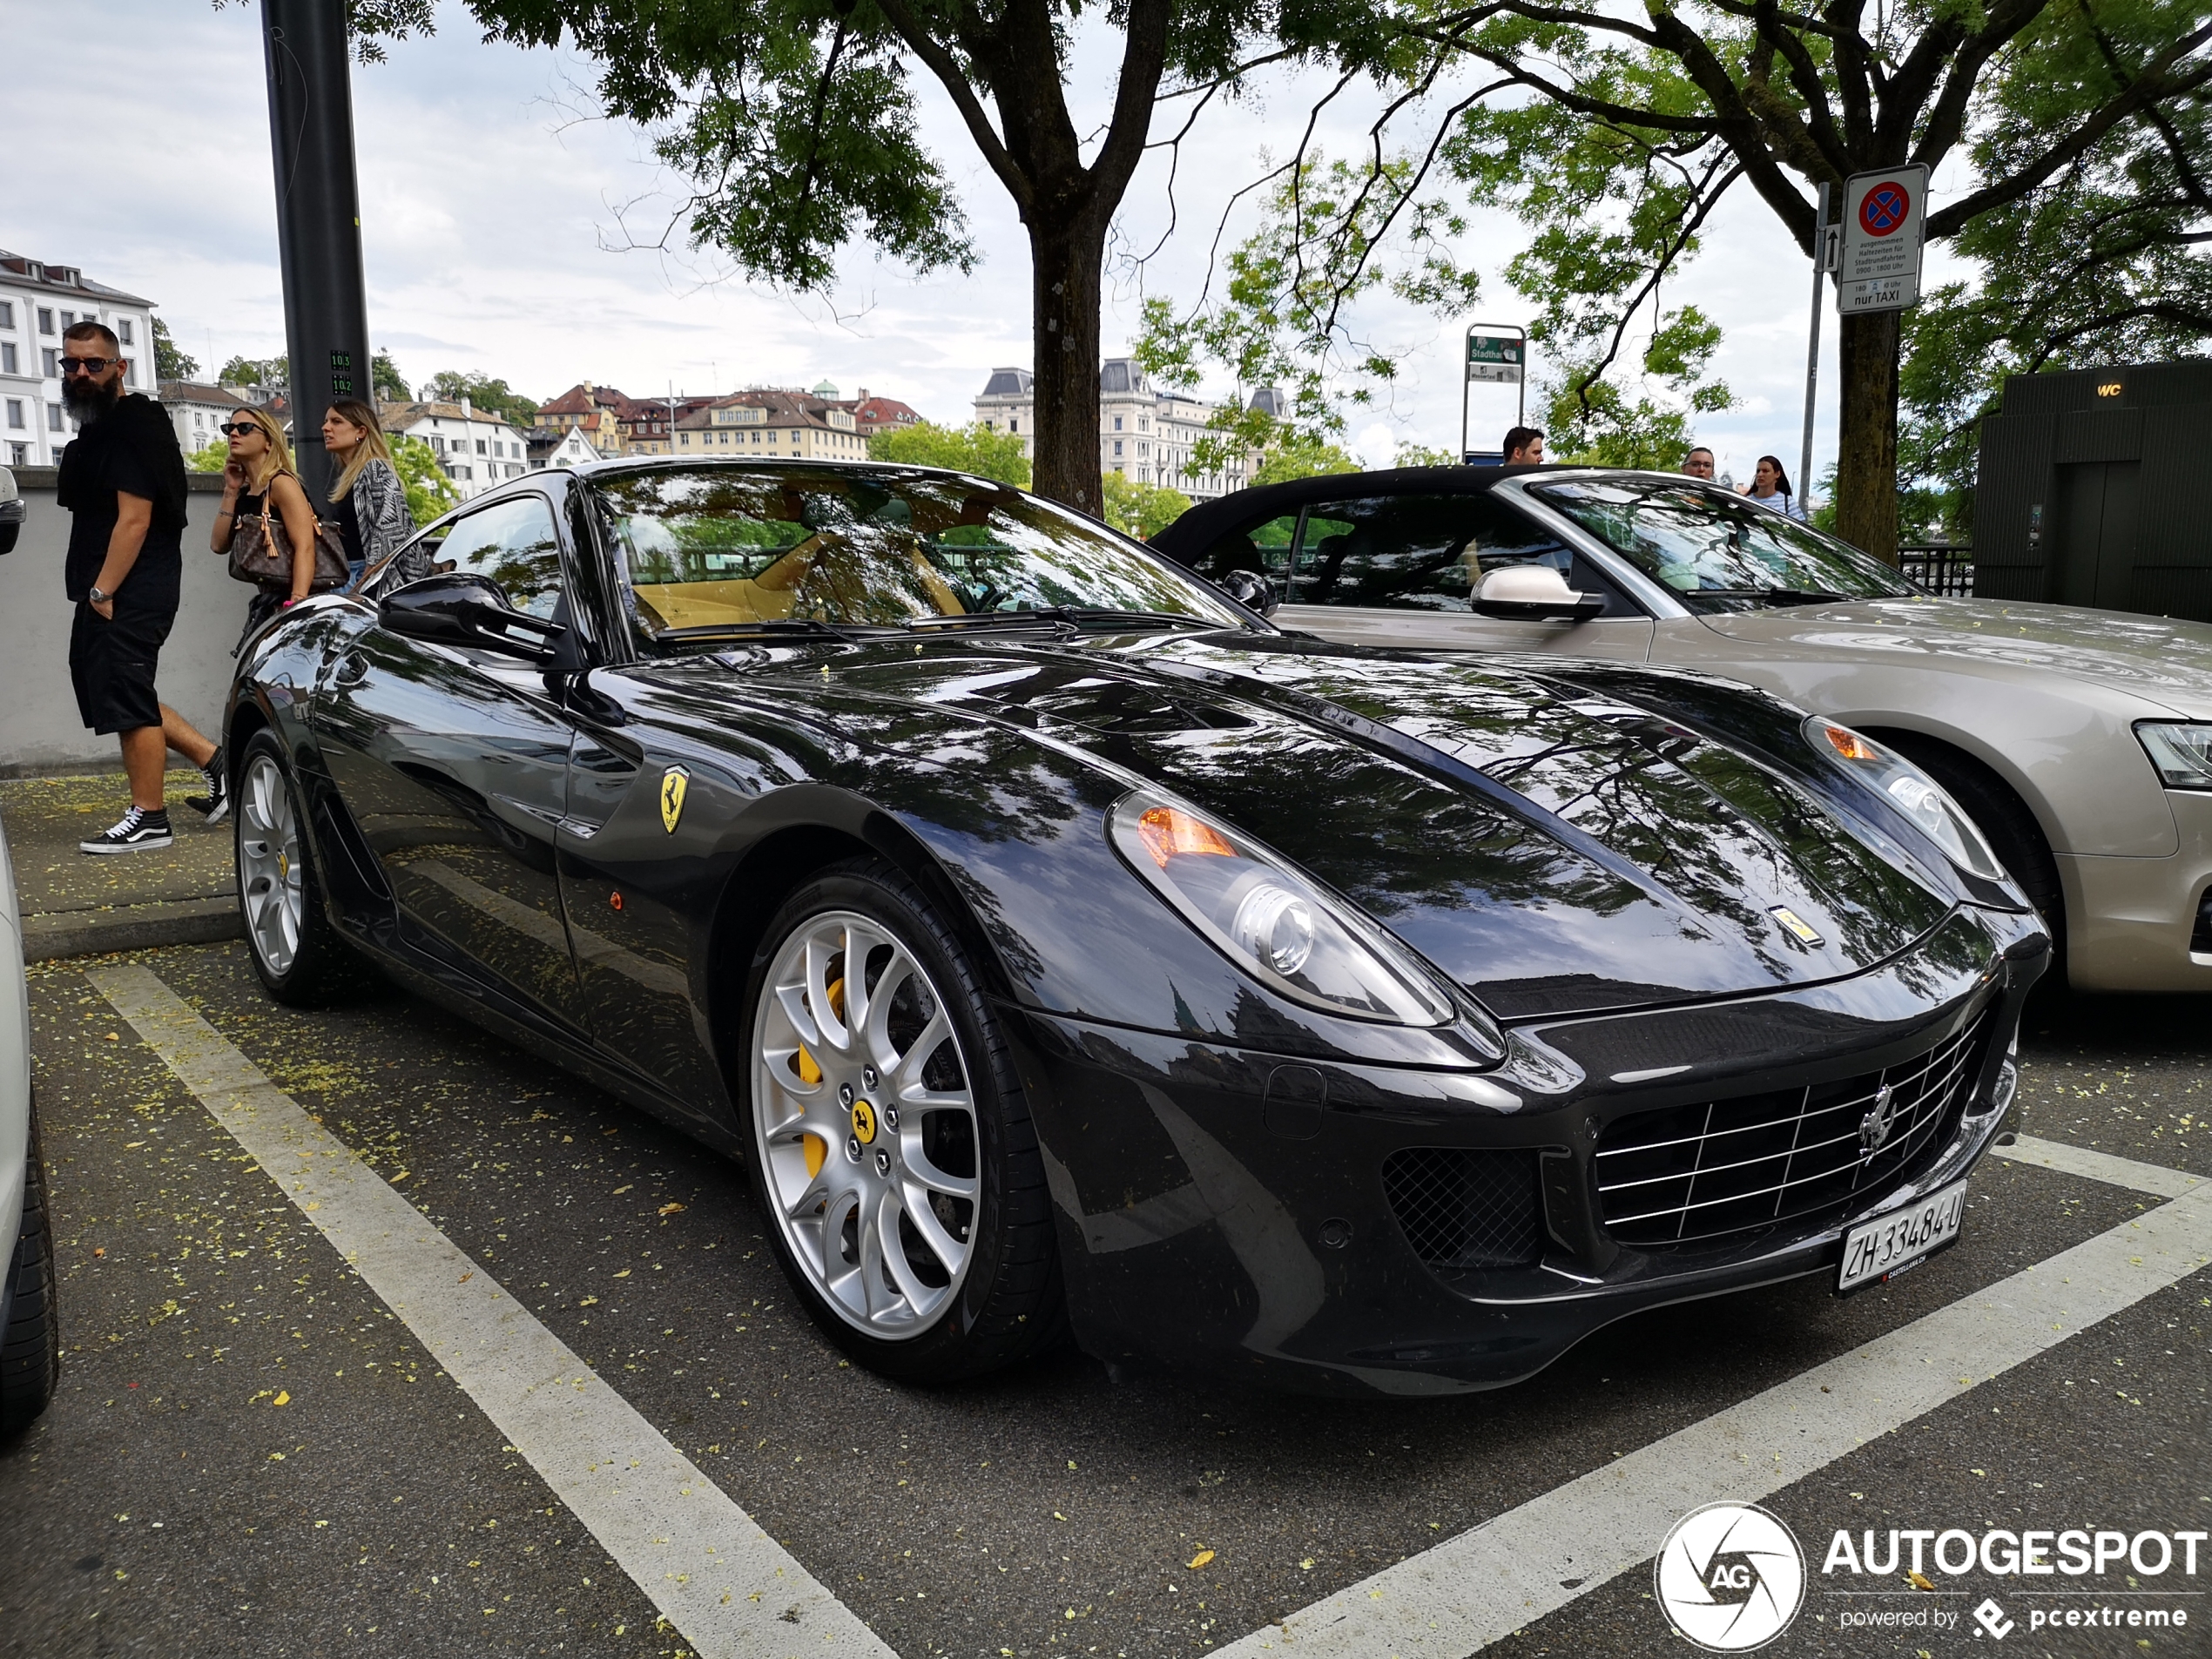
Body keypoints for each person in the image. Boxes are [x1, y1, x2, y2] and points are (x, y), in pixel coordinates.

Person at [54, 321, 228, 852]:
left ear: (120, 368)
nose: (81, 373)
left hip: (128, 587)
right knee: (118, 685)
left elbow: (135, 520)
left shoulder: (133, 425)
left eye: (94, 364)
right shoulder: (102, 428)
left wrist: (103, 592)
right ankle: (218, 765)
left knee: (127, 692)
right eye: (71, 364)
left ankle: (150, 818)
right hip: (109, 587)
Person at [211, 408, 322, 656]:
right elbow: (218, 545)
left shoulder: (282, 483)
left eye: (245, 428)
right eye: (230, 429)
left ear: (269, 443)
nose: (234, 434)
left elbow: (305, 545)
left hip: (300, 598)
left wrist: (296, 605)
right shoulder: (246, 491)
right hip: (270, 599)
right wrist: (230, 490)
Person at [320, 399, 417, 590]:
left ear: (361, 432)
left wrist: (364, 583)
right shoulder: (350, 475)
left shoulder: (375, 468)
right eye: (326, 421)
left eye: (336, 422)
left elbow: (391, 531)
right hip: (348, 574)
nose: (326, 428)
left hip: (365, 577)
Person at [1743, 454, 1808, 522]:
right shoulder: (1746, 502)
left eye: (1766, 471)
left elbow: (1798, 530)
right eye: (1758, 471)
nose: (1760, 475)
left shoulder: (1788, 503)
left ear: (1777, 474)